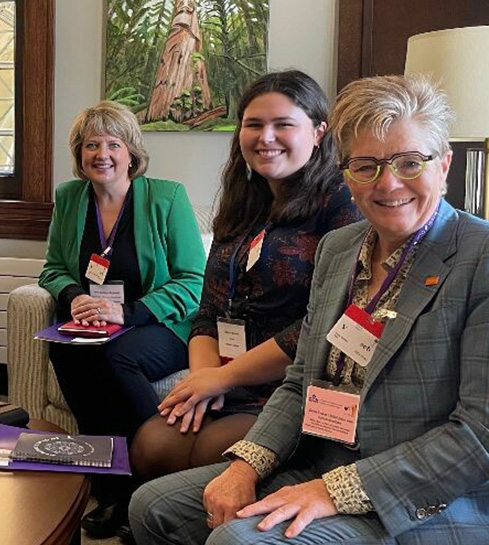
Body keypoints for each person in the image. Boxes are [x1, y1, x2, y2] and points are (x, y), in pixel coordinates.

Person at [130, 74, 489, 545]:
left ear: (445, 165)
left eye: (410, 162)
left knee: (237, 541)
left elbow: (487, 434)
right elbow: (300, 381)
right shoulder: (339, 248)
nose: (389, 183)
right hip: (333, 458)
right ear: (346, 173)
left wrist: (332, 492)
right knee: (153, 508)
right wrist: (245, 464)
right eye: (367, 165)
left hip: (449, 493)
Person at [131, 71, 361, 481]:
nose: (265, 137)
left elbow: (321, 327)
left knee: (211, 455)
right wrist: (203, 379)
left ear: (318, 132)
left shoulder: (342, 206)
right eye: (253, 124)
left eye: (283, 125)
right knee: (151, 445)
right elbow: (209, 310)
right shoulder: (242, 202)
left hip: (294, 387)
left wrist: (221, 378)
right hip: (227, 379)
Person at [38, 101, 205, 540]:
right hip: (93, 322)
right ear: (79, 155)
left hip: (159, 323)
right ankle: (113, 490)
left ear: (132, 153)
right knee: (66, 348)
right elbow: (53, 268)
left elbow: (194, 280)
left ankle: (153, 484)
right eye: (91, 144)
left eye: (114, 144)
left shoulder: (167, 197)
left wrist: (127, 312)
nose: (102, 154)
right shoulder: (69, 198)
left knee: (113, 356)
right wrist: (73, 296)